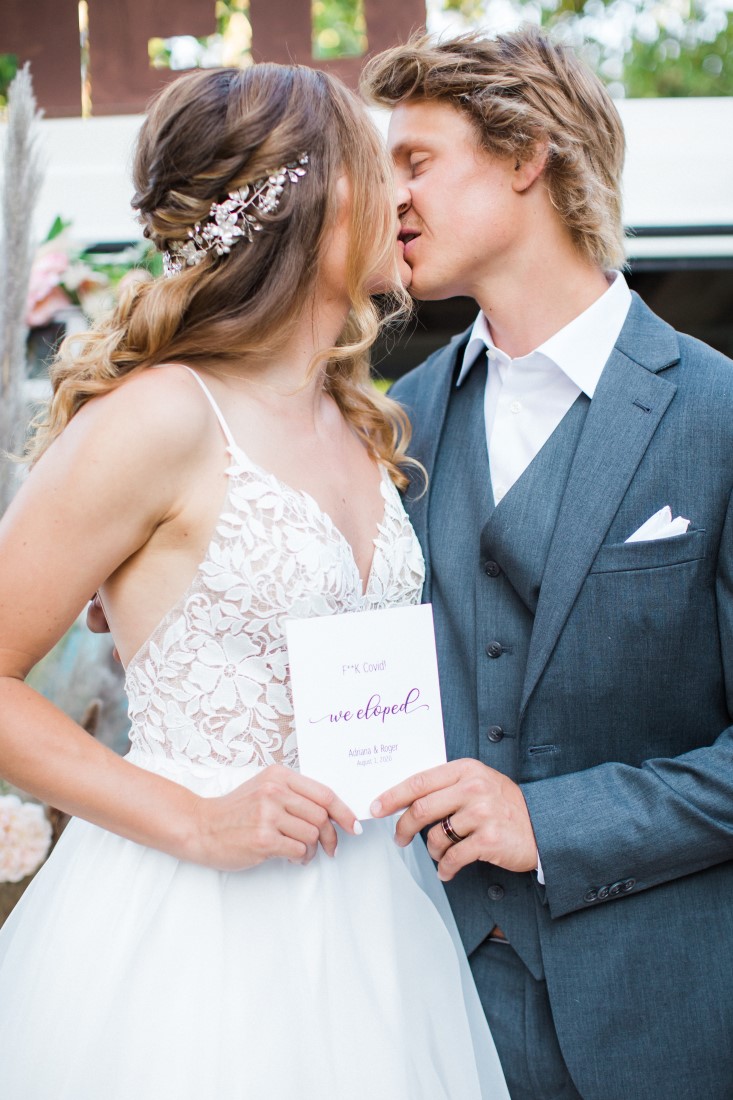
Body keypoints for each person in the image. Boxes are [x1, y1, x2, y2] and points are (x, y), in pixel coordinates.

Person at [0, 64, 509, 1099]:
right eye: (380, 168)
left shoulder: (359, 419)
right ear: (309, 205)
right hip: (200, 928)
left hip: (379, 916)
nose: (403, 196)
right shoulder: (164, 417)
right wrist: (196, 819)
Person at [361, 27, 733, 1100]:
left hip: (664, 1022)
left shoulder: (716, 413)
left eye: (416, 161)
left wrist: (549, 820)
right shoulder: (392, 431)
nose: (388, 201)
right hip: (425, 1012)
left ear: (527, 154)